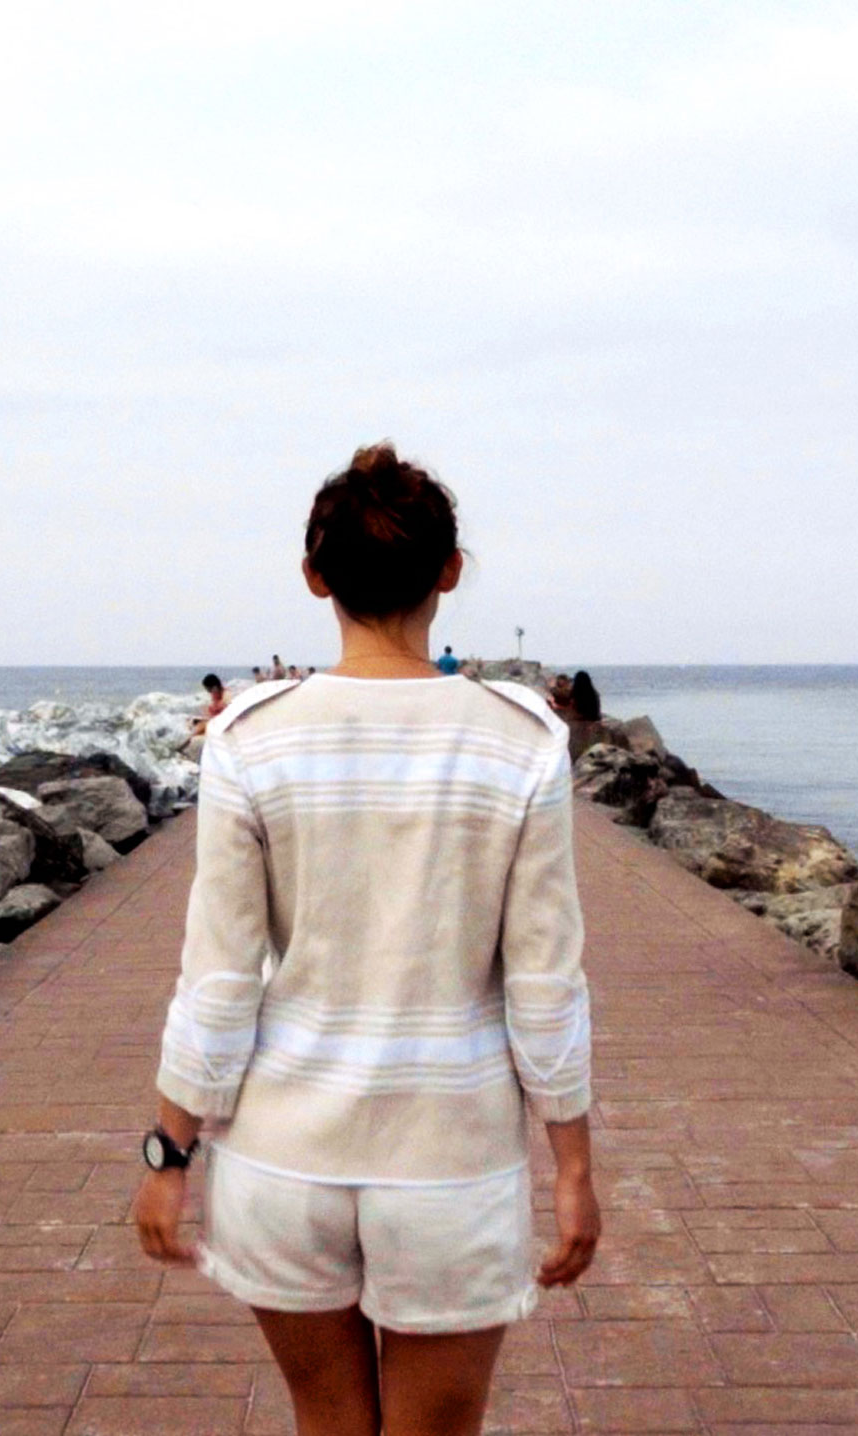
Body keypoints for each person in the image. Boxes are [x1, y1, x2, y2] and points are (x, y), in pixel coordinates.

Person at [135, 444, 599, 1436]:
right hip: (450, 1162)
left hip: (282, 1161)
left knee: (328, 1422)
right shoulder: (521, 742)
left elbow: (218, 979)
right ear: (450, 571)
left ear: (316, 577)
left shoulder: (249, 739)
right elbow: (544, 982)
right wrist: (571, 1166)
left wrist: (168, 1156)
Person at [180, 673, 228, 761]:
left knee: (201, 727)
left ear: (214, 686)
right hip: (213, 720)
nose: (208, 692)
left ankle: (183, 744)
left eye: (209, 689)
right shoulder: (214, 695)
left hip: (220, 722)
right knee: (191, 721)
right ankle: (185, 742)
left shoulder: (226, 694)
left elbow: (226, 709)